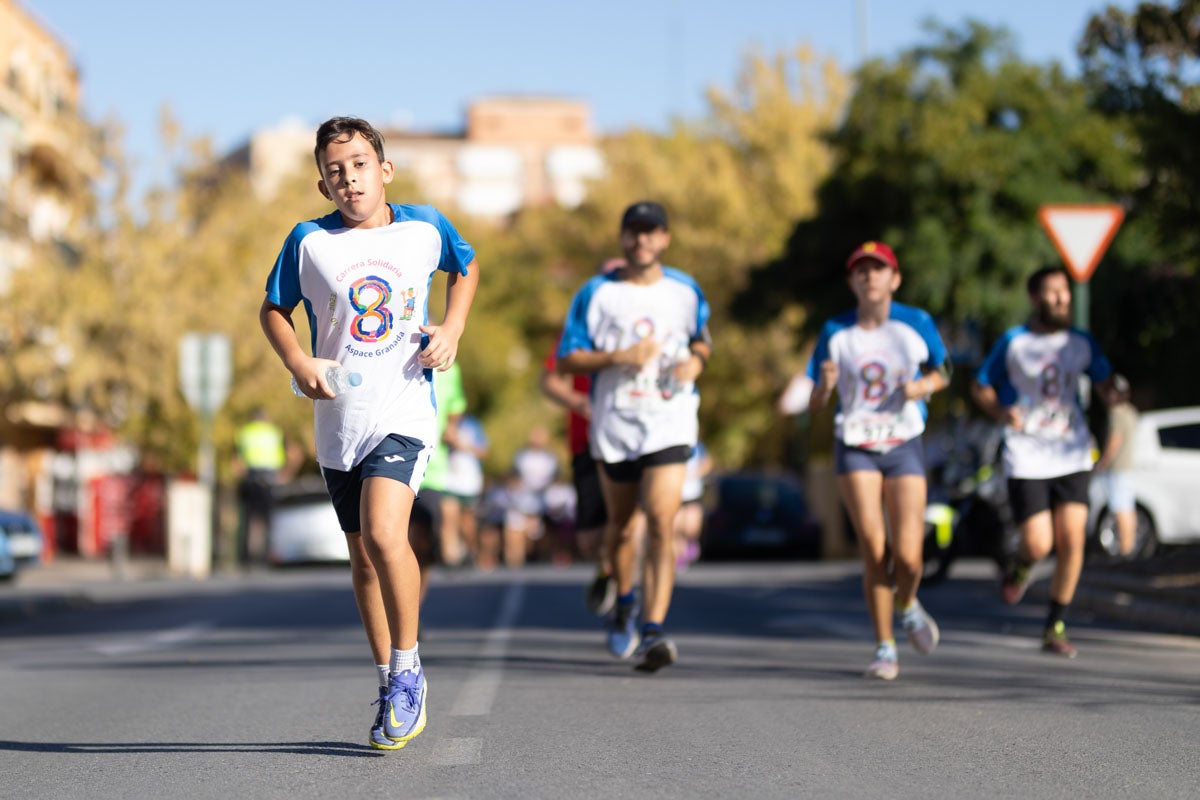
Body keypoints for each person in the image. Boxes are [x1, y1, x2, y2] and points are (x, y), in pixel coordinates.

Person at [258, 116, 479, 750]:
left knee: (387, 533)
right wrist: (299, 362)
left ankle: (410, 671)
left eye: (358, 164)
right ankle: (387, 678)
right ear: (323, 184)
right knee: (361, 561)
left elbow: (465, 268)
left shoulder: (424, 226)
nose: (349, 178)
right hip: (339, 424)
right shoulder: (307, 242)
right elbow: (274, 309)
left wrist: (452, 328)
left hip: (403, 409)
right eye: (335, 170)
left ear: (384, 170)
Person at [557, 200, 711, 673]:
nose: (641, 239)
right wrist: (619, 356)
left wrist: (696, 362)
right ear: (622, 238)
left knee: (663, 520)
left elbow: (702, 339)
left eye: (651, 231)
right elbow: (568, 359)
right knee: (622, 527)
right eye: (633, 231)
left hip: (669, 420)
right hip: (617, 425)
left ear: (665, 238)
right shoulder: (597, 293)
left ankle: (653, 629)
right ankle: (624, 600)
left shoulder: (685, 290)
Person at [805, 241, 949, 681]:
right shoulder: (835, 331)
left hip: (904, 440)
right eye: (861, 270)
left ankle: (907, 603)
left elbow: (943, 373)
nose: (870, 276)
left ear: (894, 279)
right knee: (873, 547)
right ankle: (885, 647)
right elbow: (814, 403)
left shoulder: (916, 322)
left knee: (908, 556)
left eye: (878, 269)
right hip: (855, 443)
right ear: (852, 281)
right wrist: (825, 387)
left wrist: (922, 388)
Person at [971, 265, 1113, 659]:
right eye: (1051, 293)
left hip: (1072, 450)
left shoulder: (1081, 342)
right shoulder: (1014, 342)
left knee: (1071, 539)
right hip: (1027, 452)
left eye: (1064, 292)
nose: (1061, 300)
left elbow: (1105, 382)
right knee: (1038, 541)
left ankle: (1055, 625)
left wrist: (1115, 392)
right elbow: (980, 386)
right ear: (1034, 298)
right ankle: (1020, 566)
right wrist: (1001, 413)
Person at [232, 407, 296, 567]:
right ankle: (269, 556)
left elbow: (236, 459)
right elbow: (293, 453)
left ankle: (245, 558)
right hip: (271, 478)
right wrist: (286, 474)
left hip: (251, 478)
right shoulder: (275, 432)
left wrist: (239, 476)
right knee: (270, 519)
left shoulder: (245, 432)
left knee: (247, 518)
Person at [1095, 374, 1138, 557]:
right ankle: (1130, 547)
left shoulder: (1117, 413)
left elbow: (1114, 440)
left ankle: (1125, 550)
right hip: (1128, 466)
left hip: (1118, 468)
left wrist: (1103, 462)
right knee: (1128, 507)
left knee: (1120, 508)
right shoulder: (1130, 411)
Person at [442, 413, 489, 567]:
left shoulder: (473, 424)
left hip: (469, 481)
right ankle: (451, 557)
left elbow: (484, 452)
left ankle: (471, 551)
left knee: (467, 521)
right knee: (449, 517)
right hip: (448, 479)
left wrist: (463, 446)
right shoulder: (441, 421)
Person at [674, 441, 712, 571]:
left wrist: (694, 474)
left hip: (692, 493)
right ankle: (679, 555)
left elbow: (707, 464)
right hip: (677, 493)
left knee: (691, 526)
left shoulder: (697, 446)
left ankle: (691, 542)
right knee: (677, 526)